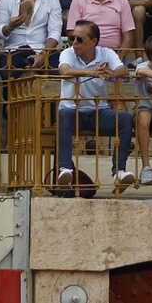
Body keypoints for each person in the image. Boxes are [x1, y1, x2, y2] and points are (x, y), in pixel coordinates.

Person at [55, 20, 137, 189]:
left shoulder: (106, 53)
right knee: (64, 114)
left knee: (125, 118)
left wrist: (110, 73)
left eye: (79, 39)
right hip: (72, 111)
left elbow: (122, 70)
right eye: (72, 38)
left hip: (98, 111)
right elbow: (64, 70)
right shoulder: (68, 53)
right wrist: (91, 72)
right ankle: (65, 168)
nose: (74, 43)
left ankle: (119, 171)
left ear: (93, 41)